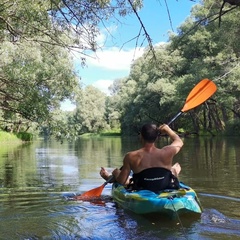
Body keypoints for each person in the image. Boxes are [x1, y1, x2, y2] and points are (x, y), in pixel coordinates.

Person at [100, 123, 183, 192]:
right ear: (157, 137)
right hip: (164, 185)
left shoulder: (130, 156)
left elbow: (122, 181)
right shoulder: (168, 151)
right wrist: (168, 130)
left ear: (141, 136)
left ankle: (110, 177)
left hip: (143, 187)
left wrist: (115, 174)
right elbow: (179, 141)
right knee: (175, 168)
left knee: (117, 172)